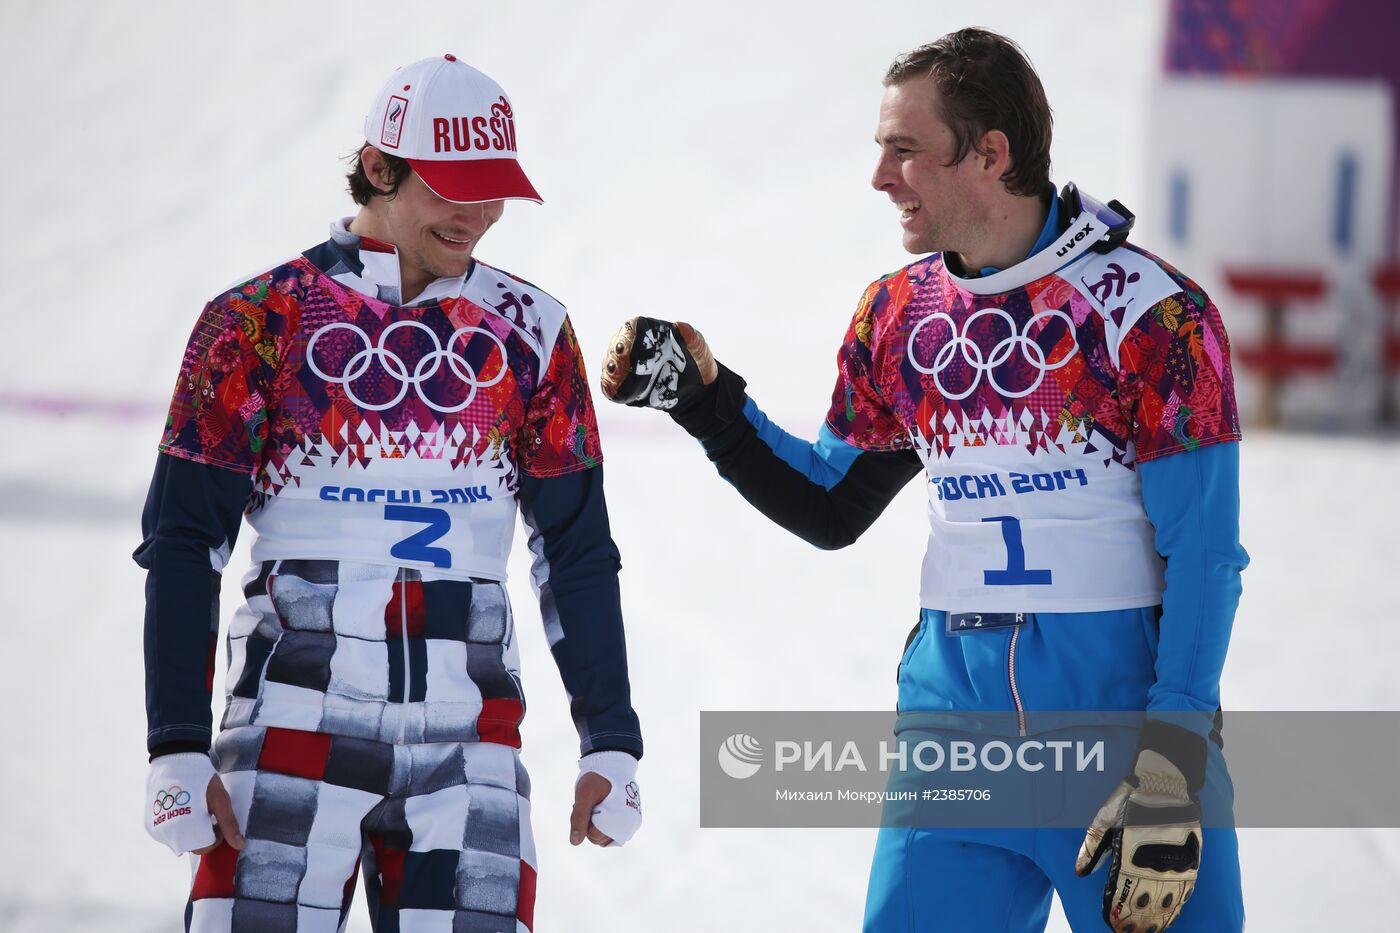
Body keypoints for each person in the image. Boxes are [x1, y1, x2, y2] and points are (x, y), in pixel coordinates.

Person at [599, 28, 1246, 933]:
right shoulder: (902, 317)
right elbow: (832, 501)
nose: (881, 177)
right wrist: (706, 402)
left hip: (1122, 732)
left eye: (905, 150)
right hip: (953, 734)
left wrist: (1173, 760)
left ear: (990, 154)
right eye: (881, 150)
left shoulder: (1153, 316)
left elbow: (1206, 556)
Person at [135, 54, 643, 932]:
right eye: (453, 187)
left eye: (496, 191)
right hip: (288, 729)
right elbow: (185, 543)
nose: (478, 215)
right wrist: (175, 743)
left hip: (469, 744)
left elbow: (576, 550)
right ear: (378, 167)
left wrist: (613, 738)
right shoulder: (259, 321)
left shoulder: (532, 334)